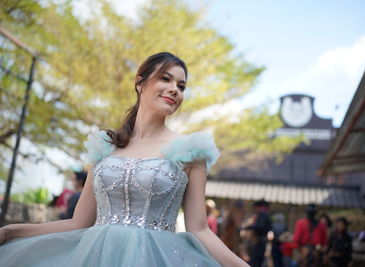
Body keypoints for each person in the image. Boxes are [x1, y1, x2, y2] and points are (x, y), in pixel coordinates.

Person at [0, 52, 249, 267]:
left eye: (181, 86)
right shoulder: (105, 147)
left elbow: (200, 229)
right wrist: (12, 231)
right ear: (140, 83)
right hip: (94, 256)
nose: (175, 89)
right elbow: (78, 222)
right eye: (166, 78)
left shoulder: (190, 151)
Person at [244, 200, 271, 267]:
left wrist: (249, 227)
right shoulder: (266, 214)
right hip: (262, 240)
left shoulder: (262, 214)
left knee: (255, 260)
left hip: (259, 241)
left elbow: (260, 227)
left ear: (257, 207)